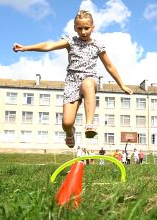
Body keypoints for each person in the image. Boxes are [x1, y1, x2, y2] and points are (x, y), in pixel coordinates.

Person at [13, 10, 133, 148]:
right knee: (67, 123)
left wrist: (121, 85)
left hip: (89, 78)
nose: (83, 32)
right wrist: (26, 48)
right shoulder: (71, 42)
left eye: (86, 28)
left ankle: (89, 124)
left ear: (93, 27)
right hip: (72, 81)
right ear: (75, 28)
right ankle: (70, 133)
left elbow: (110, 66)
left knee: (87, 83)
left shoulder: (97, 46)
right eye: (79, 28)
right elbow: (49, 45)